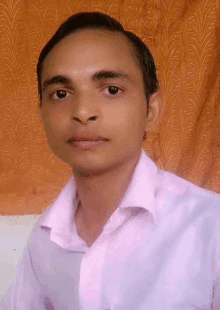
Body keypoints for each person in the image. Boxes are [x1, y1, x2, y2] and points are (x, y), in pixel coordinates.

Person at [3, 11, 220, 310]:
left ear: (151, 110)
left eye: (111, 90)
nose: (82, 111)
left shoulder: (211, 227)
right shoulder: (44, 240)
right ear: (41, 113)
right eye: (61, 93)